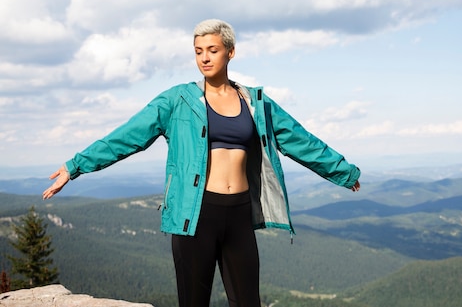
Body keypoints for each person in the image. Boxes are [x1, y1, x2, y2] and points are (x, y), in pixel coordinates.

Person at [43, 19, 361, 307]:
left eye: (212, 50)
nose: (204, 58)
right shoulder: (177, 100)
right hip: (196, 216)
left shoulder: (254, 102)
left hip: (238, 214)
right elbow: (127, 137)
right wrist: (75, 166)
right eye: (198, 51)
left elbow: (300, 140)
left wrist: (342, 171)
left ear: (230, 52)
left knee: (247, 302)